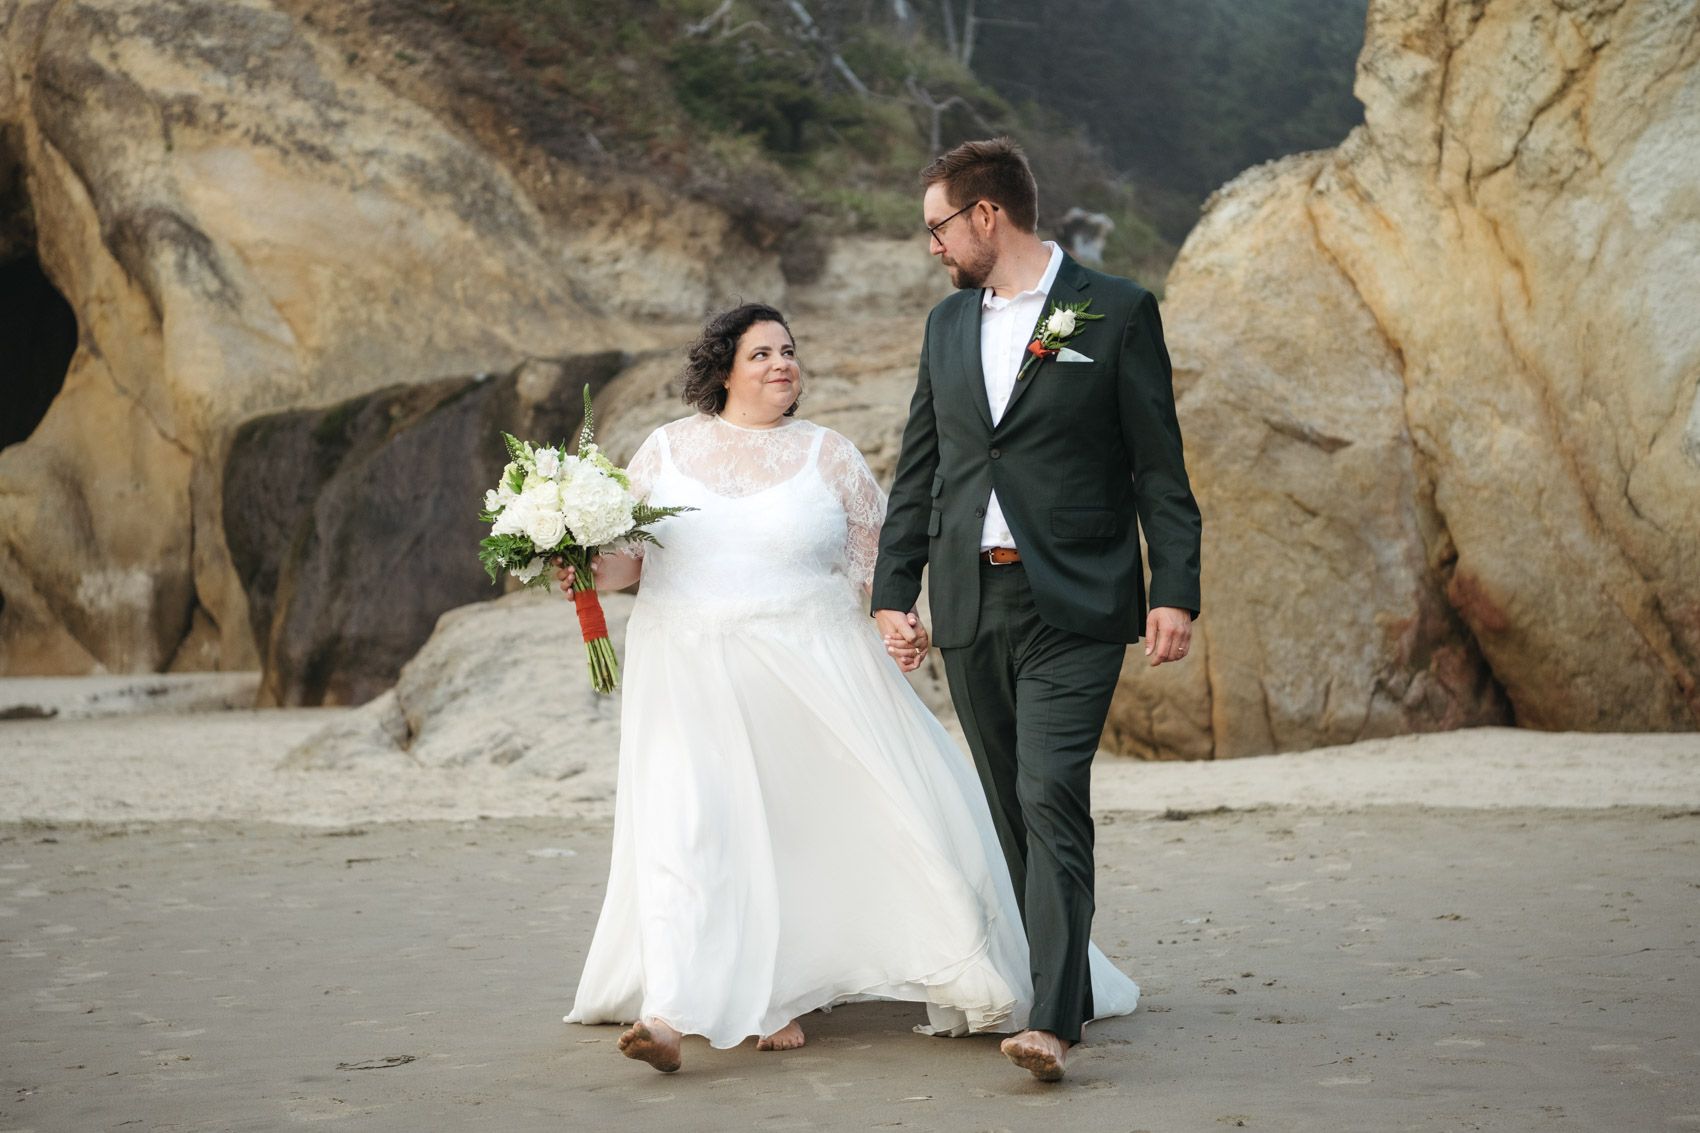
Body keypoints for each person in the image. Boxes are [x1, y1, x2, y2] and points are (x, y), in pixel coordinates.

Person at [562, 303, 1138, 1073]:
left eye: (790, 351)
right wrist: (566, 548)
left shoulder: (830, 456)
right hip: (688, 668)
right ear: (723, 368)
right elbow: (625, 566)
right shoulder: (665, 448)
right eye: (761, 352)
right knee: (690, 825)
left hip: (812, 669)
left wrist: (898, 622)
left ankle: (786, 988)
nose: (781, 364)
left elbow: (877, 572)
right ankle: (669, 1014)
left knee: (806, 827)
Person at [872, 138, 1203, 1082]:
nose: (931, 245)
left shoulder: (1116, 309)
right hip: (972, 600)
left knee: (1050, 792)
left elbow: (1159, 469)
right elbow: (924, 468)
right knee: (1010, 810)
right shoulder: (945, 327)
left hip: (1079, 599)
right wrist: (893, 589)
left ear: (986, 216)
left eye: (938, 225)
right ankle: (1064, 976)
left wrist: (1172, 587)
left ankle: (1053, 1016)